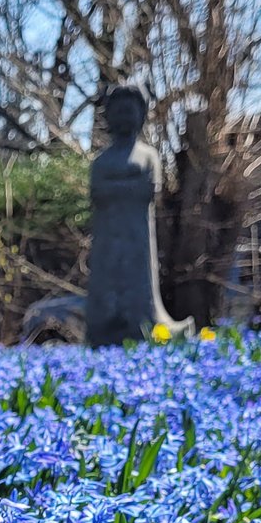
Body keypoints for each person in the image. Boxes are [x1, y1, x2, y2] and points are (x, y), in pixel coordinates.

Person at [85, 82, 186, 347]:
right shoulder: (100, 161)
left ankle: (144, 323)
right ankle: (104, 329)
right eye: (118, 112)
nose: (124, 117)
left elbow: (148, 190)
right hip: (107, 239)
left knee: (138, 284)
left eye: (129, 111)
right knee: (106, 286)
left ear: (141, 115)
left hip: (136, 235)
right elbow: (98, 192)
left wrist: (117, 187)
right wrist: (128, 184)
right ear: (108, 117)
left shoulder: (149, 155)